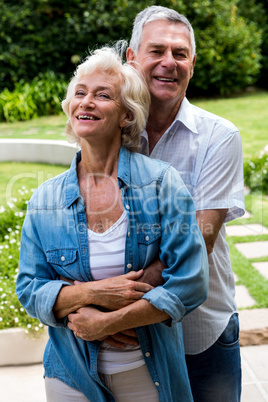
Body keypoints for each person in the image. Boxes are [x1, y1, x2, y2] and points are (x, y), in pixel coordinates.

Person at [16, 46, 208, 401]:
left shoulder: (161, 183)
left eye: (102, 95)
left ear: (126, 115)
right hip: (70, 376)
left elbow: (191, 281)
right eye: (80, 93)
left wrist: (107, 323)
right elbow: (29, 287)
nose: (86, 102)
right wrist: (94, 294)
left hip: (148, 375)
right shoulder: (45, 199)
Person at [123, 5, 245, 402]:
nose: (168, 63)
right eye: (156, 51)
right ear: (132, 57)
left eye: (179, 53)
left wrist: (113, 306)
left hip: (201, 328)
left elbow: (198, 240)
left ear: (192, 63)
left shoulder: (219, 137)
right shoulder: (112, 133)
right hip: (129, 338)